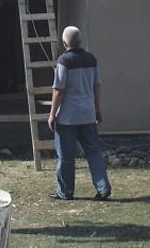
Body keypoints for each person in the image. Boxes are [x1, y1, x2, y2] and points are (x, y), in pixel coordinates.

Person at [47, 26, 111, 201]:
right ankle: (103, 188)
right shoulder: (92, 59)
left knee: (66, 157)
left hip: (67, 117)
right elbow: (96, 85)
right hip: (88, 114)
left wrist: (52, 114)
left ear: (64, 42)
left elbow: (59, 90)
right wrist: (97, 109)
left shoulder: (63, 61)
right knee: (93, 153)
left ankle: (65, 191)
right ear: (80, 41)